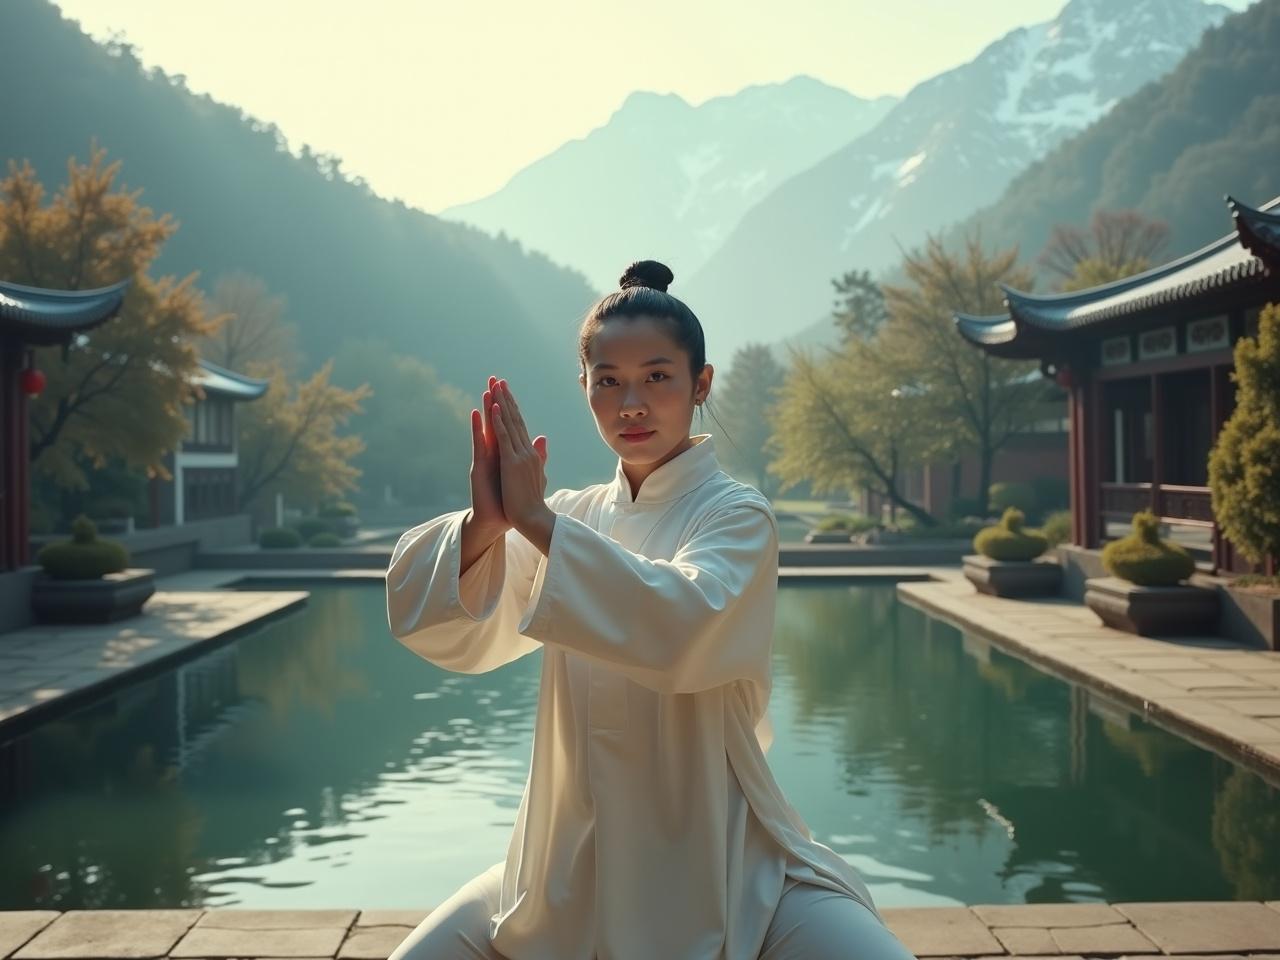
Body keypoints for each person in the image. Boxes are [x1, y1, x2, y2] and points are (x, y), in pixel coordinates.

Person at [384, 260, 917, 959]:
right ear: (584, 389)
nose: (631, 402)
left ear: (701, 385)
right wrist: (488, 524)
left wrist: (536, 523)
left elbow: (682, 626)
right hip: (561, 864)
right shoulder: (571, 516)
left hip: (731, 863)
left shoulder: (735, 515)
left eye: (657, 377)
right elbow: (435, 618)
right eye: (608, 381)